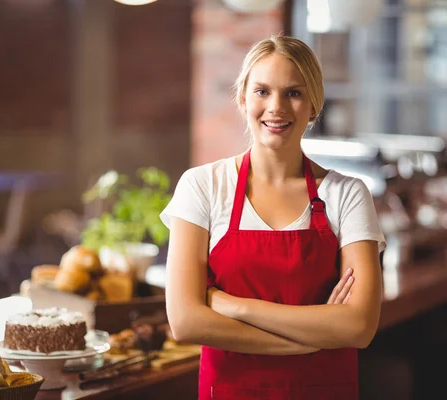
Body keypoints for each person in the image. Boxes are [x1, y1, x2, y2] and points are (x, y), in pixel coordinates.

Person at [160, 35, 386, 400]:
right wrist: (308, 340)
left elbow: (359, 326)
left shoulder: (346, 194)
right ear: (242, 98)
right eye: (262, 91)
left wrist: (235, 306)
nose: (276, 107)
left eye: (293, 93)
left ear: (314, 105)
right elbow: (186, 322)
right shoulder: (203, 186)